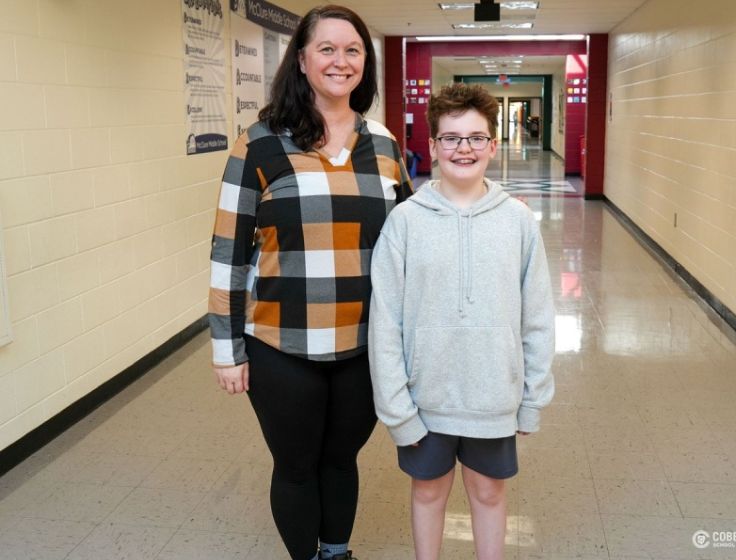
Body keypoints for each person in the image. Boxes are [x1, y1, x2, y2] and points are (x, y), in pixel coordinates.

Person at [208, 6, 413, 560]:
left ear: (365, 63)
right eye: (326, 48)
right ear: (301, 60)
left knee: (341, 460)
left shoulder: (386, 145)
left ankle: (336, 551)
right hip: (282, 344)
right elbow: (228, 254)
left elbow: (413, 244)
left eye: (352, 50)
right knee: (296, 466)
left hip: (365, 345)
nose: (340, 61)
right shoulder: (259, 145)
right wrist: (227, 350)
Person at [368, 83, 555, 560]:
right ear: (431, 147)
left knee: (490, 494)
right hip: (424, 397)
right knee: (428, 493)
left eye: (475, 138)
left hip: (493, 396)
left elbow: (537, 316)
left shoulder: (517, 221)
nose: (463, 149)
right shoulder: (405, 222)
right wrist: (395, 406)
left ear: (494, 145)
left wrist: (532, 397)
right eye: (451, 138)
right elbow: (385, 322)